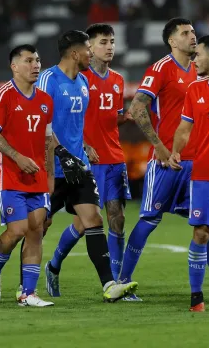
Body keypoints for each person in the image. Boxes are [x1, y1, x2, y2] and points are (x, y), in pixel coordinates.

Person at [19, 30, 138, 302]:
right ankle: (24, 287)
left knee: (93, 220)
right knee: (39, 226)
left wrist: (82, 148)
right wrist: (60, 153)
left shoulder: (83, 82)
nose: (90, 53)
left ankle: (109, 285)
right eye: (87, 48)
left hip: (79, 168)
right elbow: (40, 124)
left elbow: (76, 126)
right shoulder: (48, 80)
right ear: (75, 53)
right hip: (50, 169)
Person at [118, 18, 209, 302]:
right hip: (167, 161)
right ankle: (122, 281)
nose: (192, 36)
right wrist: (159, 147)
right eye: (185, 33)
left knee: (207, 224)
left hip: (201, 164)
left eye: (193, 32)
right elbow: (137, 107)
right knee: (149, 219)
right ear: (172, 41)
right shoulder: (161, 69)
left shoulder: (202, 71)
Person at [0, 44, 55, 307]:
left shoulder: (46, 100)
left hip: (37, 178)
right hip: (10, 176)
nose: (35, 65)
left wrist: (50, 176)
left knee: (36, 231)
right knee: (17, 230)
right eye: (28, 60)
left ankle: (28, 293)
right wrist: (18, 158)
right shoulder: (1, 95)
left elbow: (48, 142)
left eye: (37, 60)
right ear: (14, 66)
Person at [169, 35, 209, 312]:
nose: (194, 60)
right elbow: (184, 128)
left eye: (199, 55)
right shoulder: (195, 90)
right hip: (206, 174)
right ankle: (197, 297)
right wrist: (175, 151)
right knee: (202, 233)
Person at [82, 23, 131, 282]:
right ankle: (54, 264)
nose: (109, 46)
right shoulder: (80, 79)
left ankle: (117, 279)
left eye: (111, 41)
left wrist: (126, 117)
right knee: (85, 223)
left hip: (114, 157)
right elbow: (69, 119)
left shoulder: (118, 80)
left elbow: (113, 117)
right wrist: (82, 145)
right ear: (89, 46)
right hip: (89, 160)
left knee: (118, 217)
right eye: (103, 41)